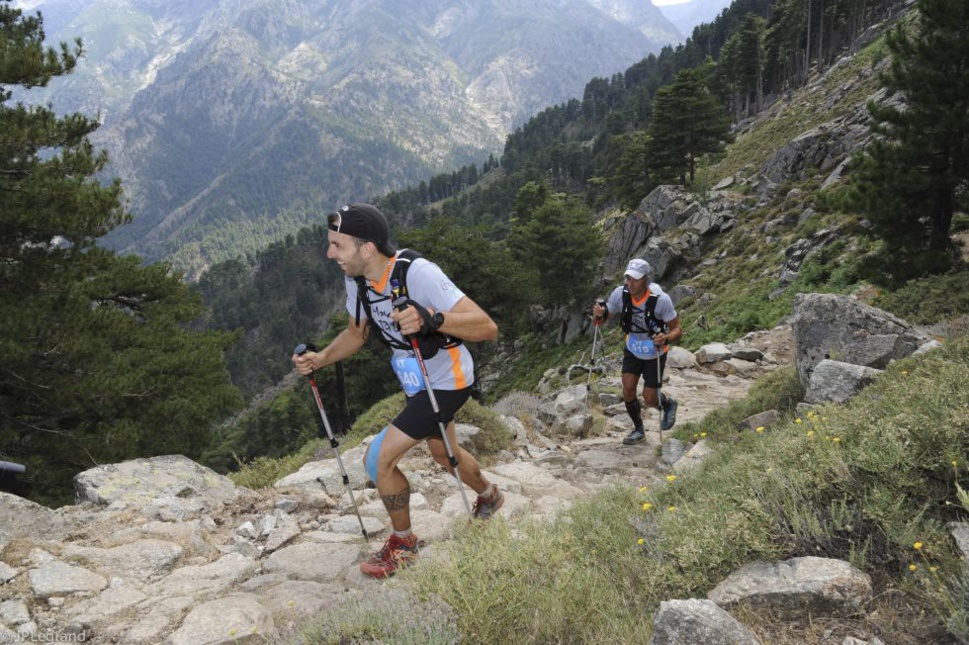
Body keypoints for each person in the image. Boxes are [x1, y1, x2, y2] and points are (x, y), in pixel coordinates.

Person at [293, 203, 504, 579]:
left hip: (449, 379)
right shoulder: (356, 279)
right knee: (445, 453)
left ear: (367, 248)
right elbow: (357, 333)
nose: (330, 254)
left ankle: (403, 544)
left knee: (377, 461)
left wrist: (432, 318)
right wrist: (321, 358)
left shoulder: (417, 273)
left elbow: (487, 327)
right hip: (415, 379)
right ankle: (489, 496)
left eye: (337, 246)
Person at [592, 258, 683, 445]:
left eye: (635, 279)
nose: (630, 283)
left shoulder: (660, 300)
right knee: (628, 390)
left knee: (650, 398)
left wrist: (665, 338)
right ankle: (638, 430)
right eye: (628, 278)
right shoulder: (621, 294)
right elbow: (603, 319)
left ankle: (667, 403)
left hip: (655, 352)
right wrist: (599, 314)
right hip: (633, 347)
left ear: (645, 279)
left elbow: (677, 330)